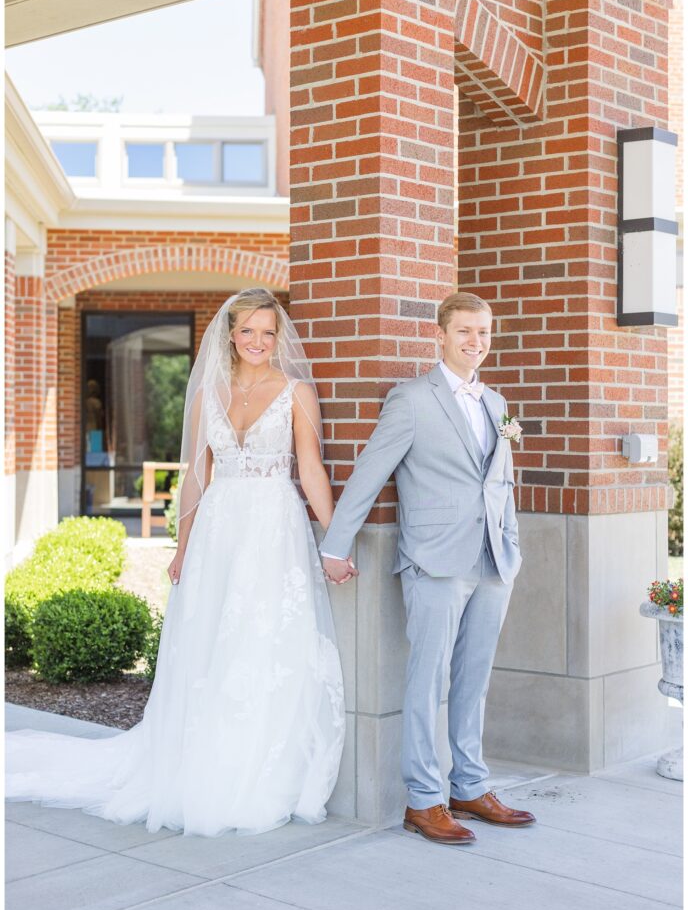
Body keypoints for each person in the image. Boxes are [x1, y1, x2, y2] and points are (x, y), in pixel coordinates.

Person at [6, 288, 346, 837]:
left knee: (264, 640)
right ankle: (200, 763)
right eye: (247, 331)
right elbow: (195, 475)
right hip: (217, 531)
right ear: (230, 336)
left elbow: (310, 470)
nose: (258, 341)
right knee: (211, 644)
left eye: (267, 331)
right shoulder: (208, 392)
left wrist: (336, 543)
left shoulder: (296, 391)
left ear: (277, 337)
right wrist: (183, 548)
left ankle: (255, 767)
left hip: (272, 528)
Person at [321, 291, 535, 844]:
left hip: (493, 560)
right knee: (428, 679)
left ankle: (469, 783)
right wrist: (335, 545)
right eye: (465, 331)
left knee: (474, 680)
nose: (476, 342)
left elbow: (503, 483)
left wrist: (511, 539)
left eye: (484, 332)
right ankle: (424, 798)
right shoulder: (412, 398)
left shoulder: (497, 403)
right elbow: (371, 471)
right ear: (440, 335)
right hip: (436, 559)